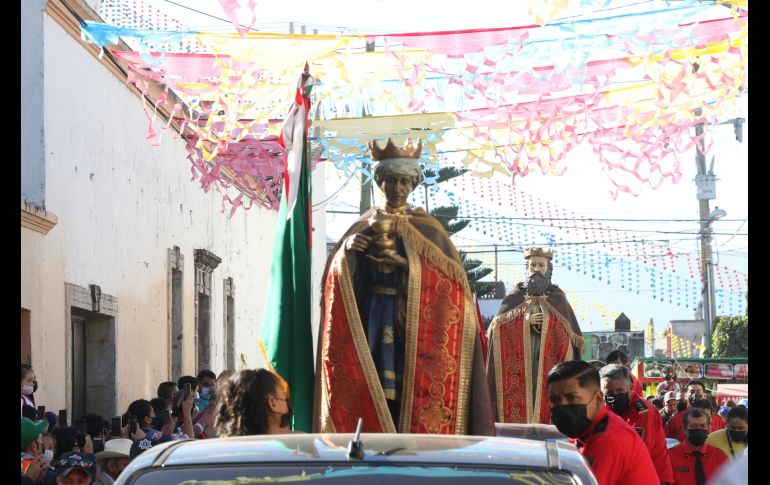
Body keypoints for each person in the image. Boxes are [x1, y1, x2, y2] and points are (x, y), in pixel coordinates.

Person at [314, 138, 493, 435]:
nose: (398, 189)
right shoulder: (363, 225)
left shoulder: (428, 229)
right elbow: (334, 287)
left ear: (413, 185)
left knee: (405, 386)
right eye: (392, 181)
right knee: (375, 388)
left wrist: (409, 266)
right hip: (372, 317)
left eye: (404, 182)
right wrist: (348, 254)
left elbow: (454, 286)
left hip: (410, 324)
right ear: (380, 181)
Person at [487, 248, 583, 424]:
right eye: (533, 265)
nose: (537, 269)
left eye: (541, 265)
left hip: (547, 361)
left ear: (548, 269)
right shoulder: (514, 297)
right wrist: (526, 322)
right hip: (522, 362)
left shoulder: (559, 298)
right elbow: (497, 330)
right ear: (527, 268)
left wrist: (548, 323)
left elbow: (570, 336)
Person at [546, 360, 658, 485]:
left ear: (598, 399)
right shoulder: (585, 431)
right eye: (554, 399)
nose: (562, 406)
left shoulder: (610, 438)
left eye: (572, 397)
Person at [600, 364, 674, 484]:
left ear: (630, 387)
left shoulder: (644, 413)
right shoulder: (605, 408)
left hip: (653, 477)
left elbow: (638, 453)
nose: (615, 396)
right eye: (609, 393)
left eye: (620, 391)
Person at [215, 368, 298, 436]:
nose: (288, 406)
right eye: (284, 397)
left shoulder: (219, 450)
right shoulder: (303, 446)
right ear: (273, 403)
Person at [668, 408, 728, 485]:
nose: (699, 429)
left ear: (708, 428)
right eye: (694, 426)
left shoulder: (720, 458)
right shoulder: (670, 457)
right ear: (684, 429)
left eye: (703, 426)